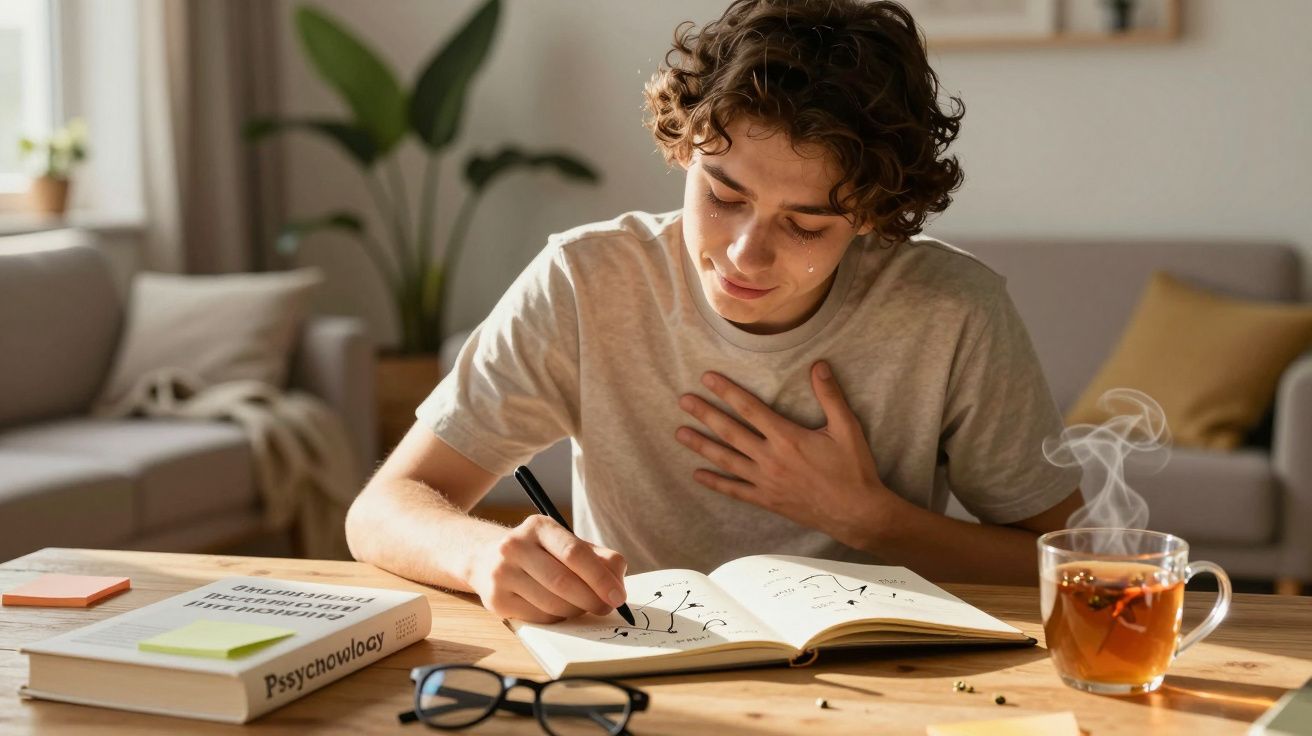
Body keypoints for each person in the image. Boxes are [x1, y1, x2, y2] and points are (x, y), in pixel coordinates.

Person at [345, 0, 1083, 624]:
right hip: (640, 672)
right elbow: (381, 510)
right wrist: (481, 553)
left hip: (885, 683)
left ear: (870, 217)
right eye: (724, 198)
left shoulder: (955, 311)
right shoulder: (585, 280)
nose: (742, 255)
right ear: (685, 146)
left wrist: (870, 519)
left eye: (804, 224)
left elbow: (1079, 568)